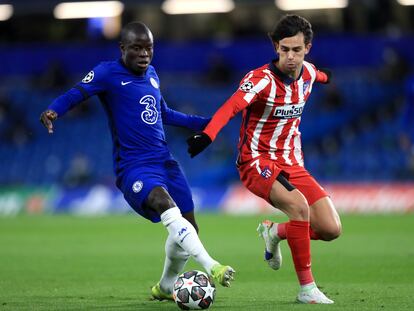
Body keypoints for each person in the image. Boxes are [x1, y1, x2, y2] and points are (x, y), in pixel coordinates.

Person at [40, 22, 235, 301]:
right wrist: (53, 110)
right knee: (163, 202)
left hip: (165, 162)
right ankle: (212, 266)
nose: (144, 54)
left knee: (189, 227)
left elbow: (163, 113)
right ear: (122, 49)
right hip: (133, 167)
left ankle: (166, 287)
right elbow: (75, 93)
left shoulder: (152, 74)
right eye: (137, 48)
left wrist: (204, 124)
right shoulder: (107, 72)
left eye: (149, 48)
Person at [187, 14, 341, 304]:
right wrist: (207, 135)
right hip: (256, 161)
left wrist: (326, 76)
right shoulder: (260, 80)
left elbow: (319, 75)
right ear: (275, 47)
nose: (291, 57)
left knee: (331, 229)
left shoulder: (308, 73)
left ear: (308, 47)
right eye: (284, 50)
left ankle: (275, 232)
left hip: (292, 162)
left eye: (297, 50)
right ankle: (307, 289)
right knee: (298, 207)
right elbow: (230, 107)